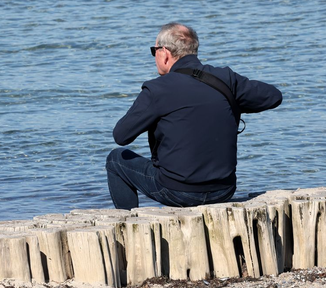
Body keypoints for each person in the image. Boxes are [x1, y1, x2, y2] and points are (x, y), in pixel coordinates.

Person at [106, 22, 282, 209]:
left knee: (116, 159)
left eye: (154, 50)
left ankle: (127, 223)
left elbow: (121, 136)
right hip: (224, 189)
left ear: (164, 53)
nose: (154, 55)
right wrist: (229, 105)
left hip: (178, 192)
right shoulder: (225, 78)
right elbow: (273, 96)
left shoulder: (157, 89)